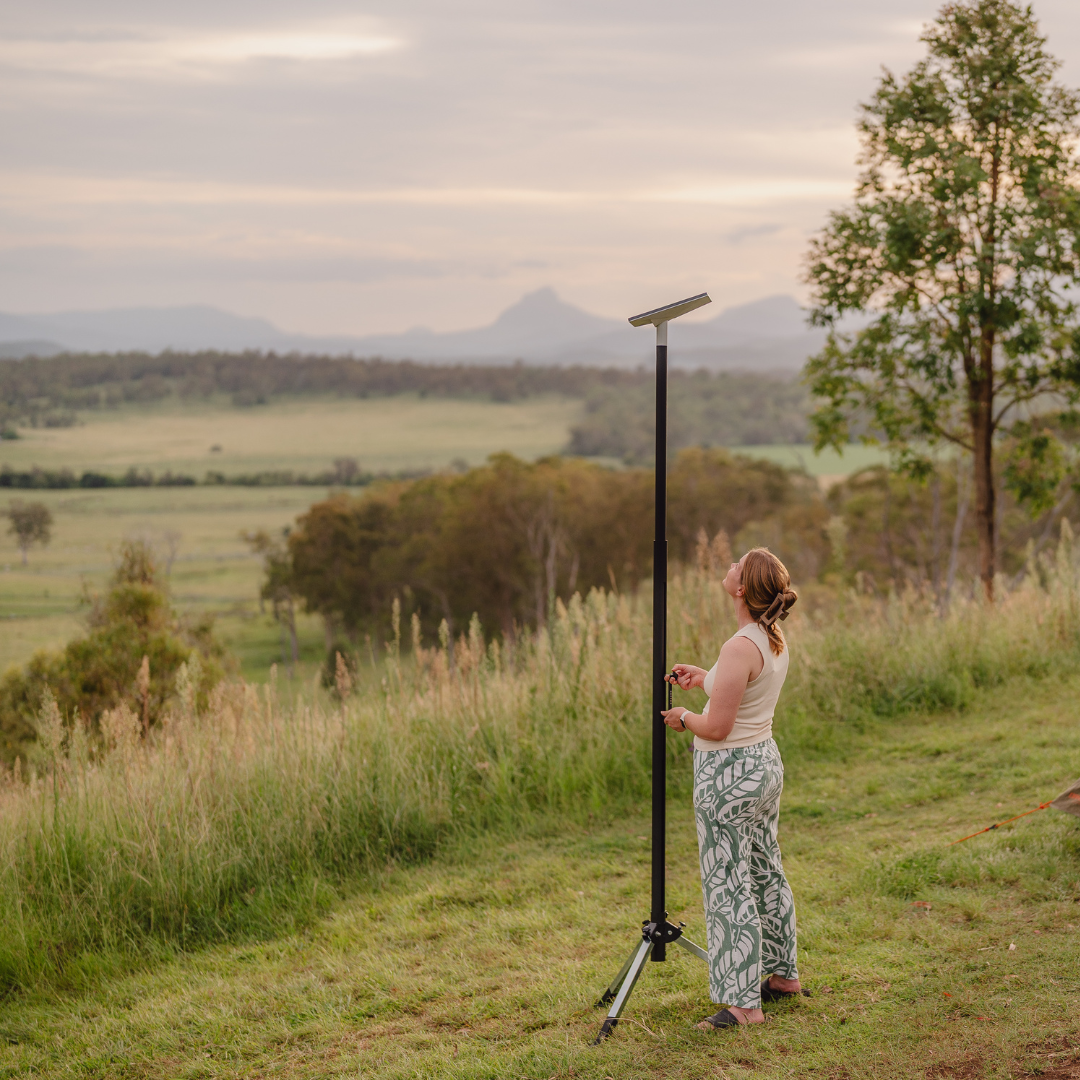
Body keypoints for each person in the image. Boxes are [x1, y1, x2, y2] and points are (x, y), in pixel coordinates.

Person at [662, 546, 806, 1031]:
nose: (729, 567)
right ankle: (783, 975)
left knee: (727, 883)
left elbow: (718, 727)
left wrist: (684, 717)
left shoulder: (738, 645)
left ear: (742, 588)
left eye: (736, 565)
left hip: (729, 776)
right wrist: (708, 679)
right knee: (765, 869)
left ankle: (743, 1005)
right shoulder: (771, 637)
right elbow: (742, 691)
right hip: (763, 765)